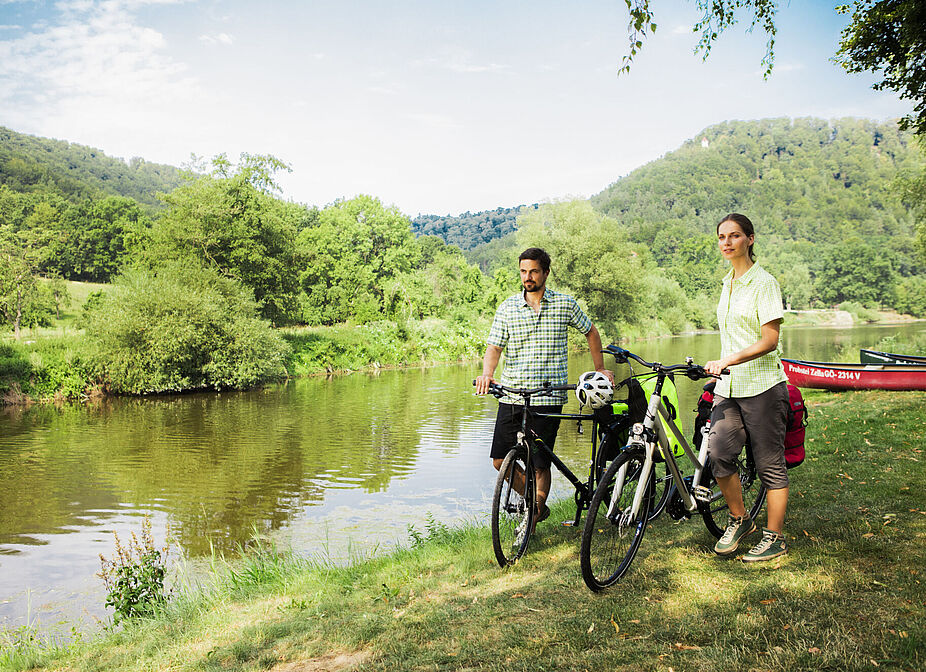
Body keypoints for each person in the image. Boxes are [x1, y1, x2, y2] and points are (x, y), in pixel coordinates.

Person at [475, 247, 613, 526]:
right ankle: (533, 501)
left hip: (548, 397)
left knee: (540, 463)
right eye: (524, 271)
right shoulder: (507, 307)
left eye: (534, 271)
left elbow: (591, 331)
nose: (528, 277)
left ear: (545, 273)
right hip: (512, 395)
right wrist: (487, 374)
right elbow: (494, 347)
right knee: (500, 460)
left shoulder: (565, 304)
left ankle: (533, 519)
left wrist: (599, 368)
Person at [705, 213, 791, 562]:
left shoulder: (764, 282)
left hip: (763, 386)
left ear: (750, 239)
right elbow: (733, 336)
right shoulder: (727, 282)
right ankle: (740, 519)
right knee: (719, 451)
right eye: (722, 237)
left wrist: (729, 360)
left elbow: (769, 340)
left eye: (735, 236)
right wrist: (720, 366)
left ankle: (776, 537)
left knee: (769, 462)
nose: (727, 242)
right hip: (729, 385)